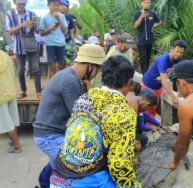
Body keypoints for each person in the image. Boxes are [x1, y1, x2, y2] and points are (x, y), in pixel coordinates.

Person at [50, 55, 141, 188]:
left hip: (58, 177)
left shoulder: (83, 98)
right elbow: (120, 164)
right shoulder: (124, 113)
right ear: (129, 82)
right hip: (87, 181)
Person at [33, 44, 105, 188]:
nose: (97, 73)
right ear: (90, 66)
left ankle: (43, 181)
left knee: (59, 162)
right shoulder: (70, 81)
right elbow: (81, 118)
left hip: (50, 133)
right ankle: (47, 183)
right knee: (70, 169)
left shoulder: (69, 75)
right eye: (98, 68)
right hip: (50, 136)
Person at [5, 0, 42, 99]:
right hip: (18, 46)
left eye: (23, 3)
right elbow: (10, 32)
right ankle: (23, 91)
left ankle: (39, 92)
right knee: (20, 70)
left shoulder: (32, 14)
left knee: (35, 69)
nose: (21, 5)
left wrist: (34, 25)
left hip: (31, 45)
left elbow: (38, 31)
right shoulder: (9, 14)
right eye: (19, 3)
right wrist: (21, 25)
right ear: (14, 2)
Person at [142, 39, 187, 116]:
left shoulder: (177, 59)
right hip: (148, 85)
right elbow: (164, 80)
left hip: (158, 86)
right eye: (177, 51)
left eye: (181, 53)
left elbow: (179, 77)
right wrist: (173, 96)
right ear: (172, 49)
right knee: (146, 108)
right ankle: (148, 126)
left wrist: (179, 90)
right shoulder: (163, 60)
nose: (179, 54)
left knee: (154, 107)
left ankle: (153, 124)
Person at [39, 0, 68, 79]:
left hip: (61, 43)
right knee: (51, 66)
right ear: (48, 5)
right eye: (54, 5)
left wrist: (58, 19)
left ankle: (59, 84)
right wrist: (50, 29)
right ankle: (51, 85)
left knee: (61, 65)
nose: (56, 7)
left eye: (57, 5)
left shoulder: (61, 16)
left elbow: (65, 31)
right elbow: (41, 33)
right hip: (50, 44)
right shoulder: (44, 17)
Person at [0, 50, 22, 153]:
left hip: (1, 94)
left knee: (6, 123)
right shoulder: (4, 54)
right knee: (12, 121)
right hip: (10, 91)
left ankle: (17, 146)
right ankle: (14, 142)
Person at [133, 0, 160, 73]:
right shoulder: (137, 13)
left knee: (148, 59)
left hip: (150, 40)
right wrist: (141, 16)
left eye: (148, 3)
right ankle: (144, 77)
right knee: (143, 59)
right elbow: (135, 26)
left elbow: (159, 21)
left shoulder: (152, 13)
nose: (146, 4)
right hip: (141, 40)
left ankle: (146, 74)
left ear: (150, 4)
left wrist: (154, 25)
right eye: (145, 3)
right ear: (141, 3)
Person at [59, 0, 77, 65]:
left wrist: (74, 45)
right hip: (57, 43)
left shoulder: (69, 18)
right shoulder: (53, 17)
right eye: (63, 6)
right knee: (59, 64)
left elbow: (71, 33)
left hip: (68, 42)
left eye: (66, 6)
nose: (65, 7)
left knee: (70, 63)